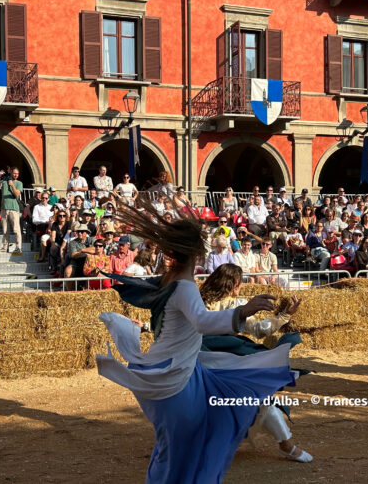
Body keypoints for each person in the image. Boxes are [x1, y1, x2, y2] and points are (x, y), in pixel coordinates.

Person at [95, 198, 298, 483]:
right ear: (197, 254)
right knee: (180, 444)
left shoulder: (168, 280)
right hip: (172, 376)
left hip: (174, 370)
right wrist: (243, 310)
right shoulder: (185, 286)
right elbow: (202, 322)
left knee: (187, 436)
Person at [198, 264, 312, 463]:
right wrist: (285, 315)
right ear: (235, 284)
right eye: (239, 283)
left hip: (199, 363)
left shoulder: (196, 302)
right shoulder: (238, 305)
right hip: (227, 363)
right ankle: (286, 445)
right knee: (260, 399)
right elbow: (260, 330)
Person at [0, 167, 23, 254]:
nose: (16, 175)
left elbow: (17, 194)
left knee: (16, 229)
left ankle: (18, 247)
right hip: (4, 208)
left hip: (14, 209)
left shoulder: (19, 183)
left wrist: (12, 185)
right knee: (5, 230)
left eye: (17, 174)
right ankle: (5, 247)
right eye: (14, 173)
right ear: (11, 173)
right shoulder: (4, 181)